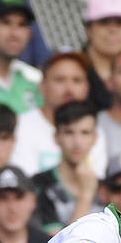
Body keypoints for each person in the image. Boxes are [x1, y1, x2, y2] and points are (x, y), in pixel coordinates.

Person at [9, 51, 107, 179]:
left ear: (87, 88)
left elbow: (95, 185)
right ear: (42, 86)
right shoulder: (20, 125)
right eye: (60, 80)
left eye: (77, 80)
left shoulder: (94, 129)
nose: (69, 89)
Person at [32, 100, 101, 234]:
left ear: (95, 138)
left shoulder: (108, 188)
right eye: (69, 132)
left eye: (85, 133)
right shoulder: (39, 185)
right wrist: (85, 196)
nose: (77, 142)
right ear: (56, 137)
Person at [82, 0, 121, 111]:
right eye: (104, 22)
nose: (113, 29)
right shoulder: (73, 68)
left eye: (120, 23)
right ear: (88, 29)